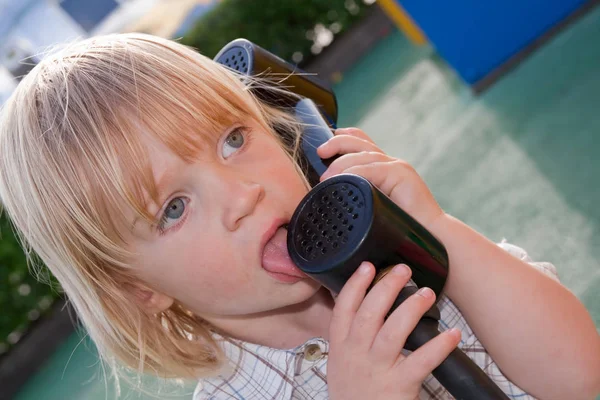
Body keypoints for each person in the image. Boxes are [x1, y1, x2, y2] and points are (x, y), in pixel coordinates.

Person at [0, 33, 598, 400]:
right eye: (174, 208)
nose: (244, 195)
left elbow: (581, 376)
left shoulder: (408, 261)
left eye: (234, 139)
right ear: (138, 290)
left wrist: (441, 235)